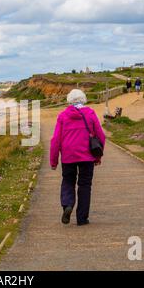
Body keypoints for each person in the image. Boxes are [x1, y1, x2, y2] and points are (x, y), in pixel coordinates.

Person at [50, 89, 106, 226]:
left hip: (68, 156)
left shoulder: (63, 116)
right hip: (87, 156)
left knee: (68, 181)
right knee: (85, 185)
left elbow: (56, 139)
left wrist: (53, 160)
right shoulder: (91, 114)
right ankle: (82, 218)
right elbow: (101, 136)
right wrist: (97, 157)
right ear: (84, 99)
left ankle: (68, 205)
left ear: (69, 100)